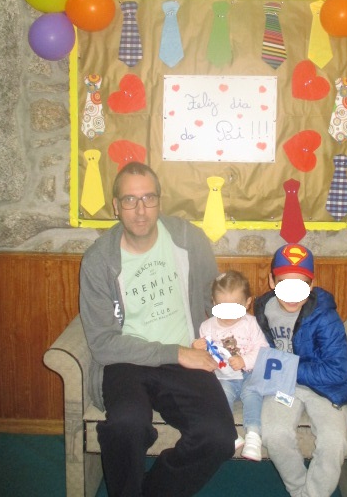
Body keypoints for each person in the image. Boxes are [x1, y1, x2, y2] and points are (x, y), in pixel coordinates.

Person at [79, 161, 237, 497]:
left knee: (219, 437)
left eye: (148, 198)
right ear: (116, 206)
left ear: (159, 201)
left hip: (186, 357)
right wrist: (174, 352)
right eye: (129, 200)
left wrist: (239, 329)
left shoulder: (189, 240)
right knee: (126, 425)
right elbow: (103, 343)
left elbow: (211, 300)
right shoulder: (98, 260)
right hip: (127, 359)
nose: (140, 210)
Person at [254, 243, 347, 497]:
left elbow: (337, 372)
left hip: (323, 388)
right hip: (282, 387)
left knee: (334, 441)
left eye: (300, 285)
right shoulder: (262, 310)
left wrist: (286, 367)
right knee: (274, 434)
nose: (292, 294)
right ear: (271, 281)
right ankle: (300, 490)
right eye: (284, 283)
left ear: (311, 285)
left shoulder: (325, 317)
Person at [193, 270, 269, 462]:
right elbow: (206, 358)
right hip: (224, 376)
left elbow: (263, 349)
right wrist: (197, 348)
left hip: (249, 373)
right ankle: (229, 433)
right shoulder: (207, 327)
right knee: (220, 395)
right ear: (213, 303)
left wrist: (245, 360)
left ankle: (253, 435)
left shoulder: (251, 323)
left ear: (247, 303)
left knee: (252, 393)